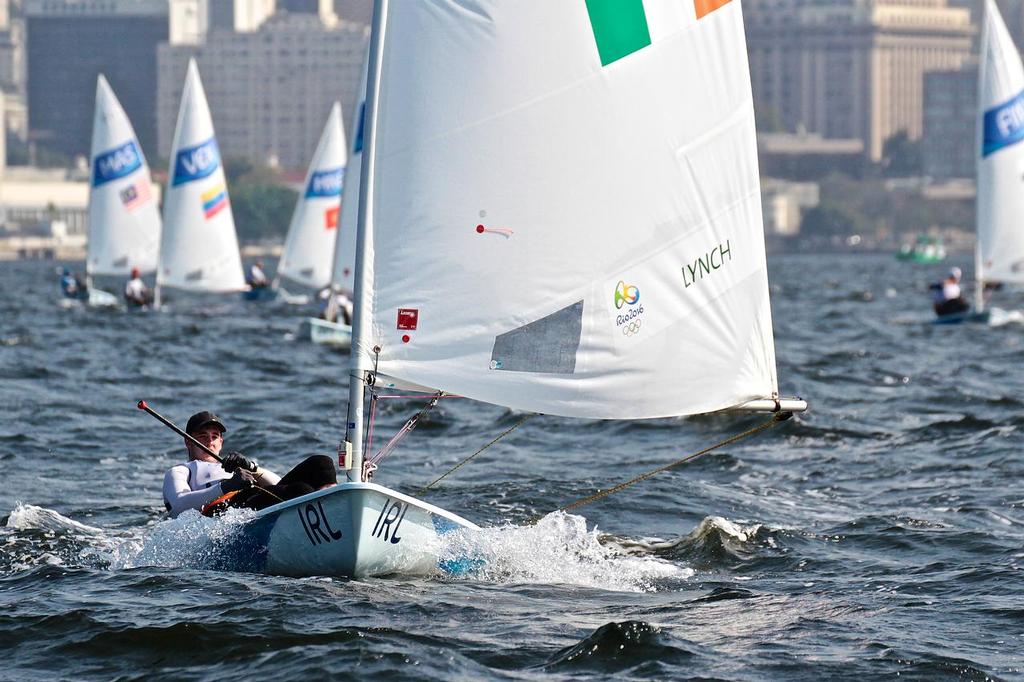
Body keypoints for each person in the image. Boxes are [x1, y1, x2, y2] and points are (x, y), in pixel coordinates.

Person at [162, 410, 338, 518]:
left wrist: (252, 468)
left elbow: (278, 483)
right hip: (220, 513)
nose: (210, 442)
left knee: (322, 463)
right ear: (188, 442)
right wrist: (226, 487)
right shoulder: (181, 471)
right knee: (300, 490)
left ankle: (333, 510)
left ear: (221, 442)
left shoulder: (232, 466)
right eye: (202, 436)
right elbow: (179, 506)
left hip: (252, 501)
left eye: (214, 437)